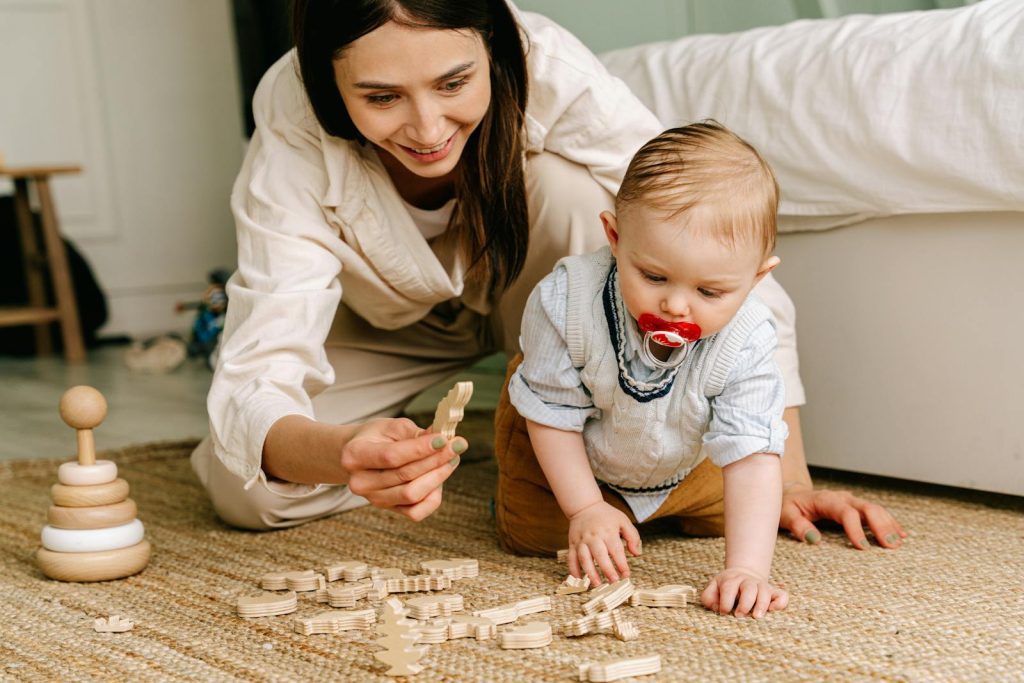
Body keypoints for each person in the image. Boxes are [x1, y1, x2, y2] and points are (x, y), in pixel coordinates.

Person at [189, 0, 905, 555]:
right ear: (327, 85)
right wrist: (342, 454)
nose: (428, 127)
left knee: (573, 191)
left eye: (454, 83)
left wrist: (791, 479)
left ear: (493, 51)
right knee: (251, 492)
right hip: (383, 324)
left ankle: (587, 448)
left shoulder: (550, 68)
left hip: (545, 297)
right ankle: (508, 439)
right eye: (381, 98)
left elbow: (715, 254)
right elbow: (257, 379)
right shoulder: (292, 124)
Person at [497, 122, 791, 617]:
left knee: (742, 509)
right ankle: (586, 505)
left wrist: (748, 569)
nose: (676, 305)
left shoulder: (751, 336)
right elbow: (552, 414)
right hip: (564, 441)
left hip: (682, 459)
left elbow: (752, 451)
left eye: (710, 292)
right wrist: (586, 509)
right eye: (653, 276)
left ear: (757, 277)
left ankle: (654, 511)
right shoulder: (564, 301)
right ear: (614, 236)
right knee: (531, 535)